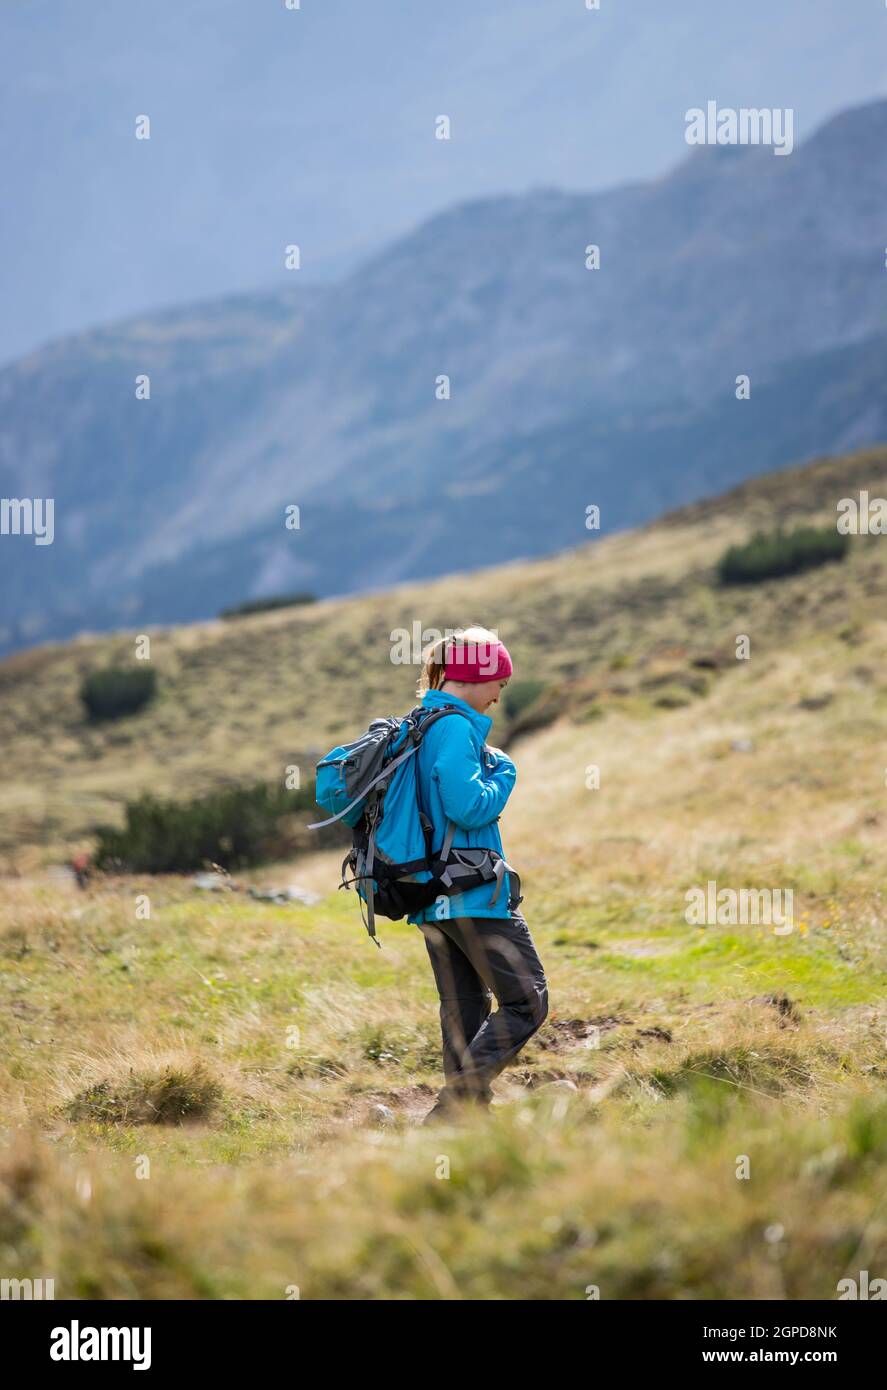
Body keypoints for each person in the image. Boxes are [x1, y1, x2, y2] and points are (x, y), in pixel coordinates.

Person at [410, 626, 548, 1121]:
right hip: (468, 892)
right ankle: (452, 1110)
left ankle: (465, 1127)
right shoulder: (454, 727)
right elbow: (468, 808)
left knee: (464, 1013)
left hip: (429, 898)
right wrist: (505, 773)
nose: (498, 696)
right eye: (498, 685)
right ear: (475, 676)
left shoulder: (421, 723)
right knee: (527, 1001)